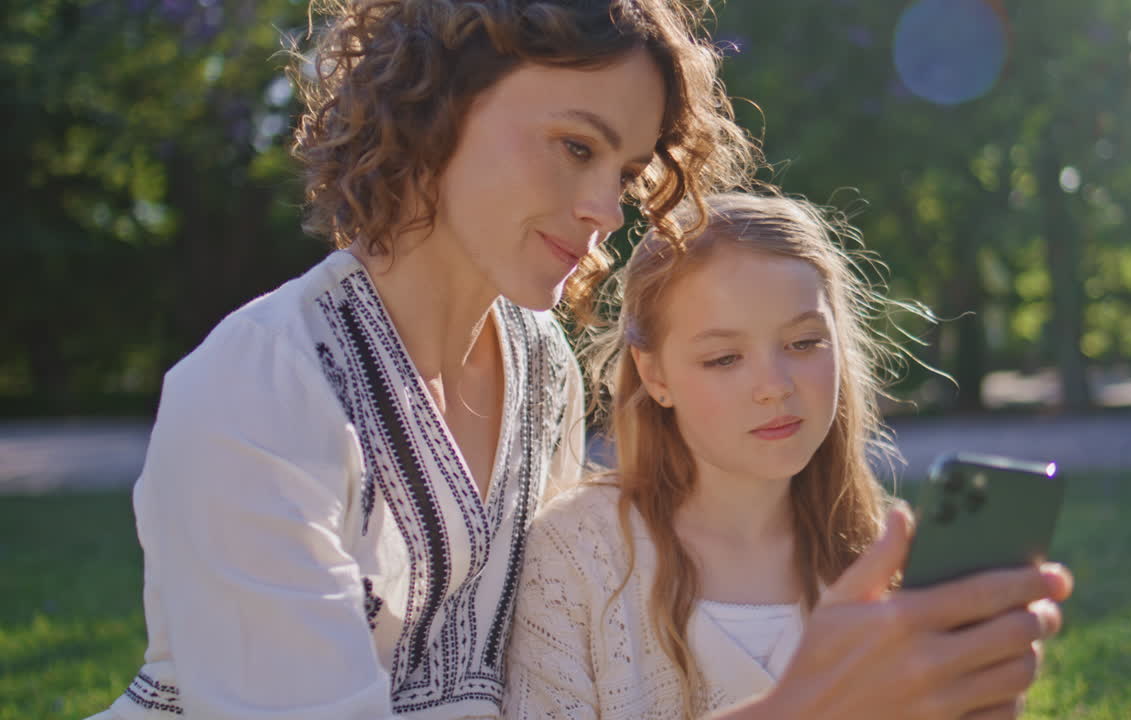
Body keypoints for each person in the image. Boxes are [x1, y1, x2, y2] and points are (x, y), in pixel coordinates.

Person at [92, 1, 755, 719]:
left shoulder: (543, 368)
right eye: (575, 147)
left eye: (625, 175)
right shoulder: (262, 383)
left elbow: (551, 680)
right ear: (439, 105)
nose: (606, 210)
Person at [502, 191, 1075, 719]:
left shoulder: (872, 560)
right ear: (655, 376)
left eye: (804, 343)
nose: (775, 386)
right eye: (724, 358)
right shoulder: (575, 556)